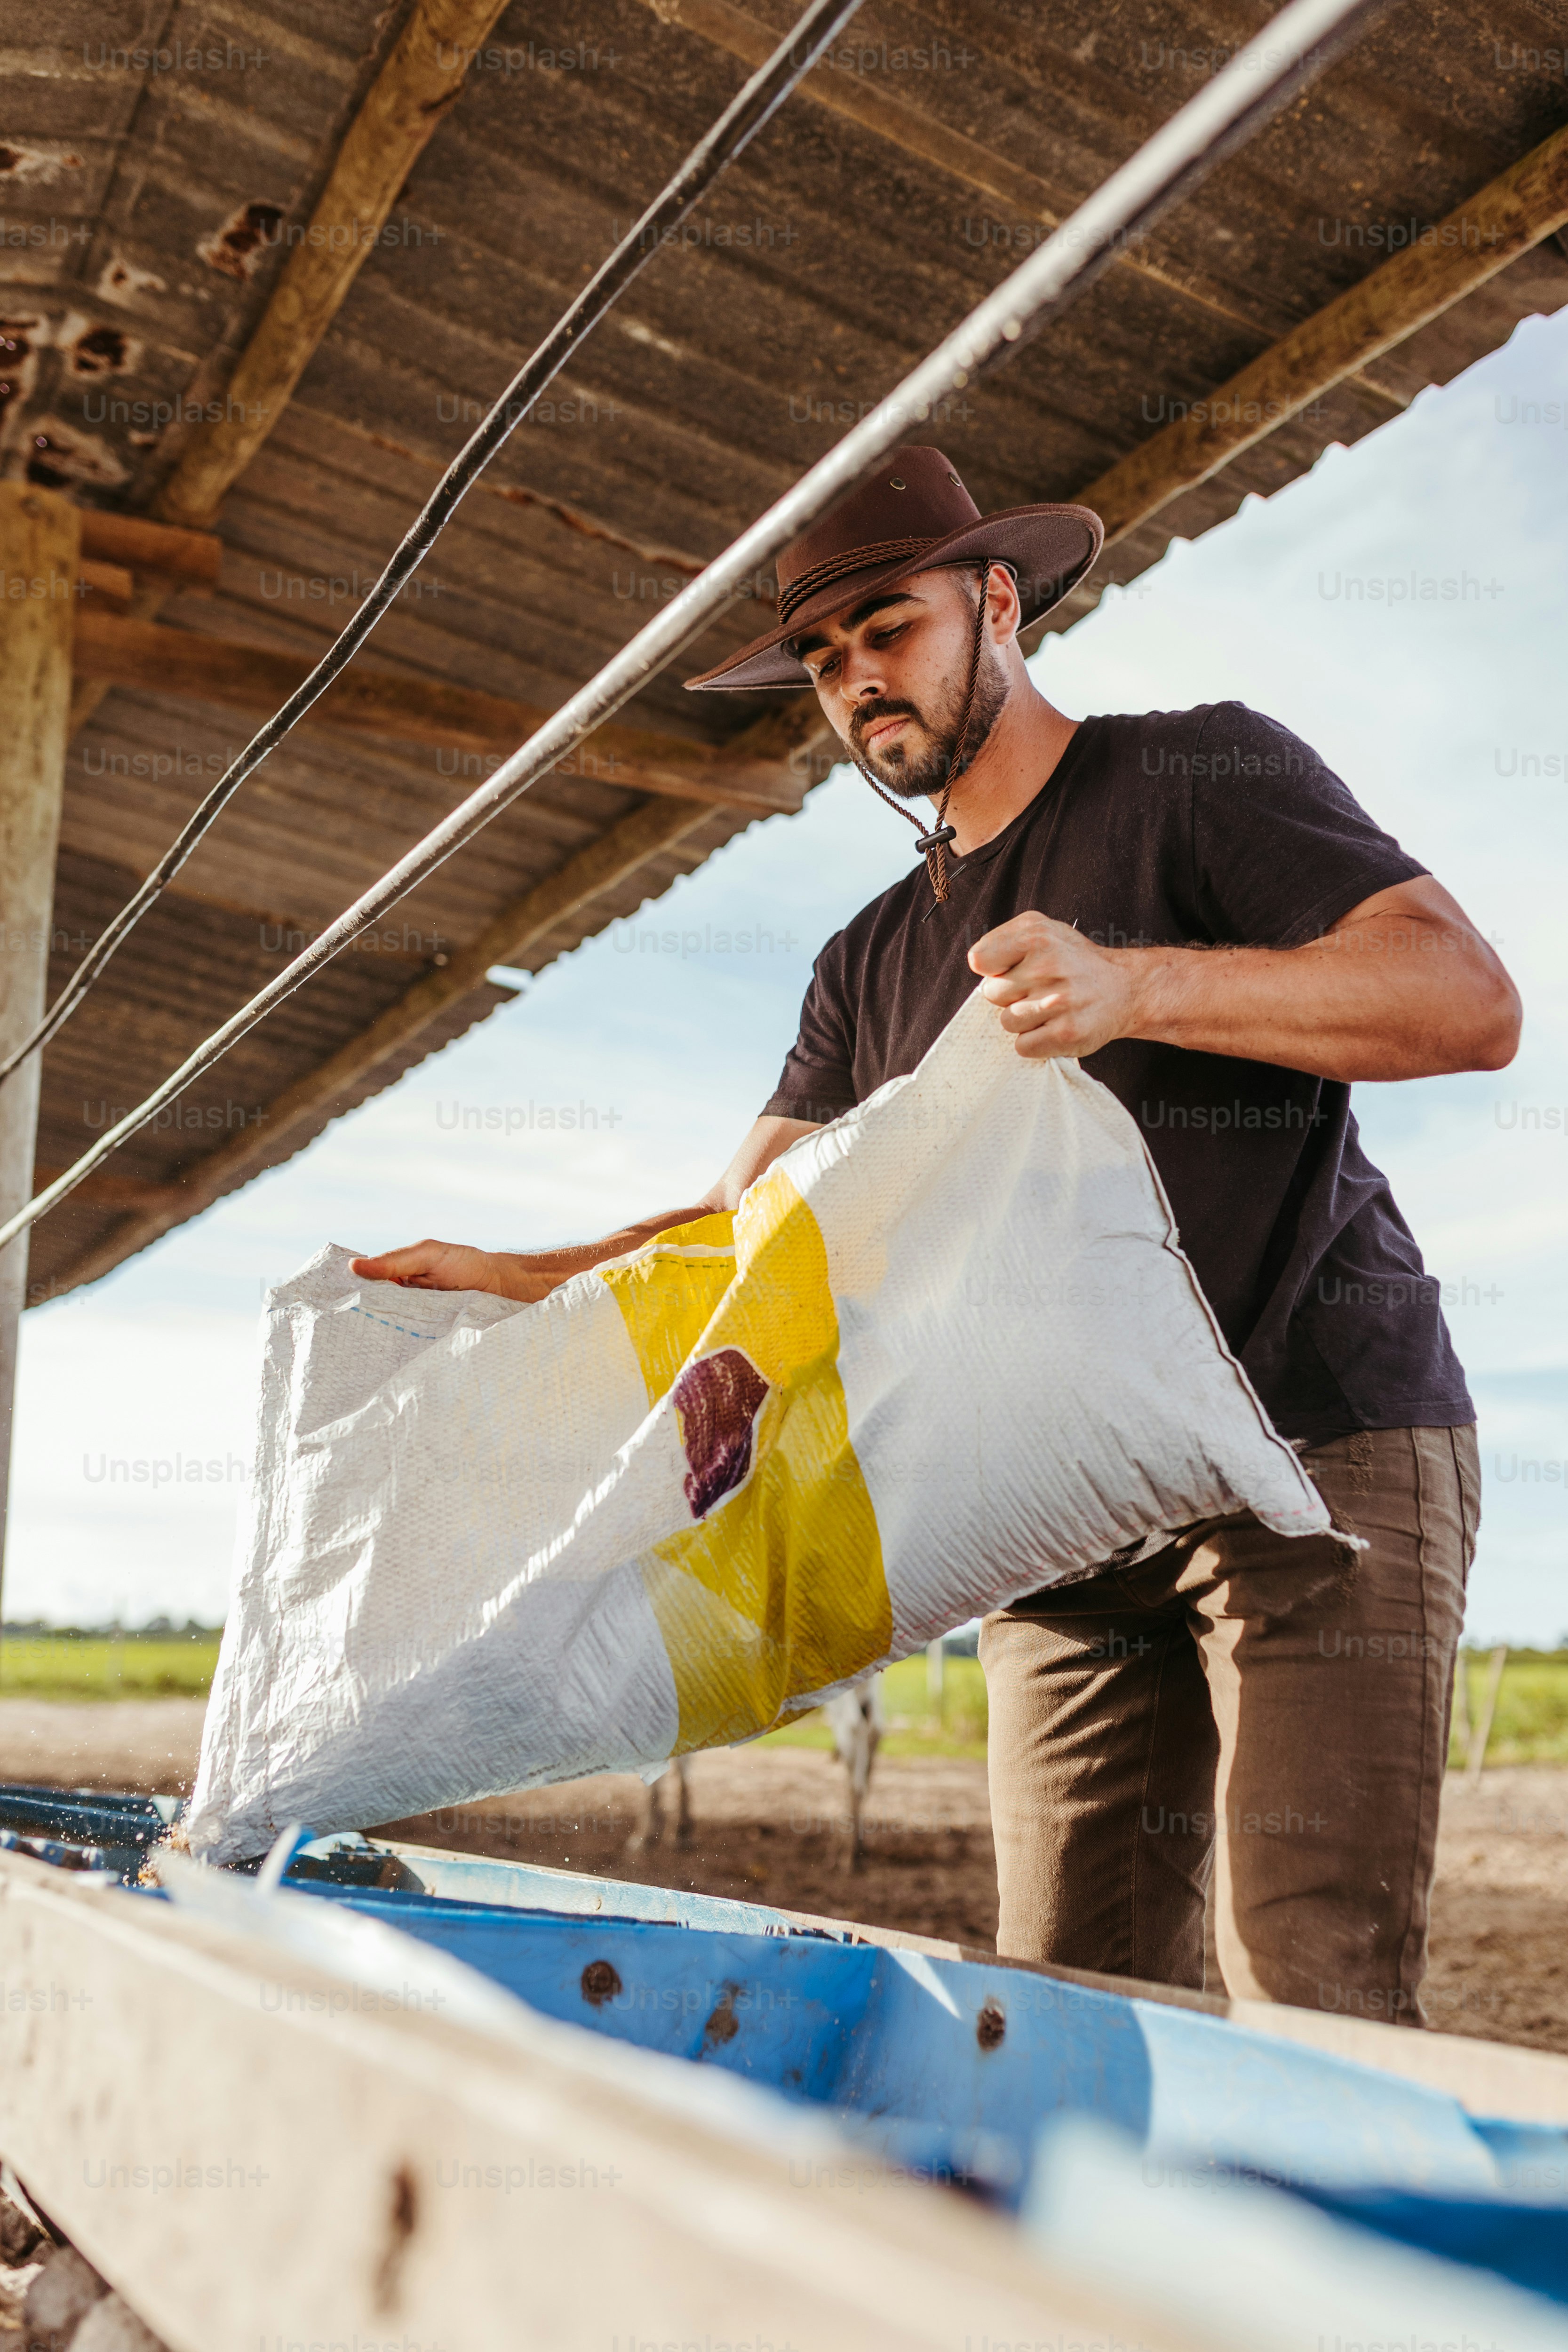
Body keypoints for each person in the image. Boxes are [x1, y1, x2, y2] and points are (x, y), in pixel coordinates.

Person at [352, 446, 1520, 2024]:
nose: (855, 684)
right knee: (1066, 2003)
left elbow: (1464, 999)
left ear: (995, 602)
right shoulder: (865, 965)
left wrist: (1140, 985)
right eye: (824, 662)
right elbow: (744, 1235)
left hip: (1317, 1447)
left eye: (885, 631)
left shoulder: (1200, 774)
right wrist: (520, 1279)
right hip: (1054, 1512)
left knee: (1311, 1982)